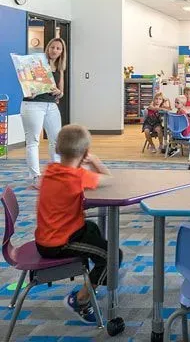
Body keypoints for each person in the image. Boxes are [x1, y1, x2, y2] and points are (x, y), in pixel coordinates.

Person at [35, 124, 122, 323]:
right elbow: (110, 179)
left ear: (58, 149)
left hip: (48, 236)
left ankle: (94, 278)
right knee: (113, 256)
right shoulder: (78, 177)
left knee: (92, 228)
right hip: (58, 243)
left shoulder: (52, 169)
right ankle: (80, 300)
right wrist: (96, 161)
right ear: (85, 153)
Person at [21, 37, 67, 183]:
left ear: (62, 52)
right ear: (48, 48)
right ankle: (35, 177)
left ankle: (57, 172)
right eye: (52, 47)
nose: (55, 50)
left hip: (51, 106)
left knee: (56, 140)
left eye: (58, 48)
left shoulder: (59, 68)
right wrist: (31, 90)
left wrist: (58, 92)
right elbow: (27, 85)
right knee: (33, 141)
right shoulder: (36, 64)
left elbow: (61, 92)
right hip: (33, 104)